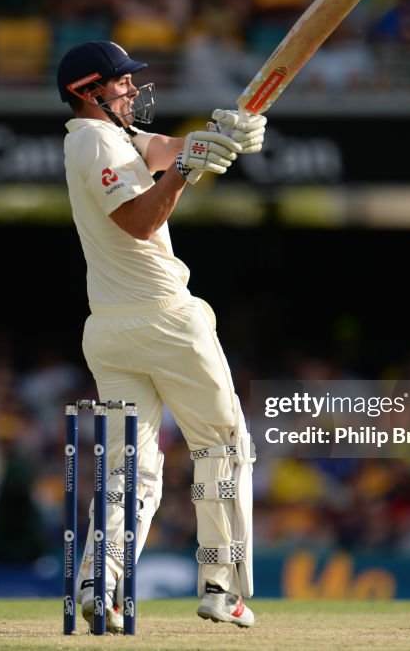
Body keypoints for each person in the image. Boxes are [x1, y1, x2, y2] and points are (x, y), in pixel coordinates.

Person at [56, 40, 266, 632]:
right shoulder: (95, 140)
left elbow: (169, 151)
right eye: (121, 84)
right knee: (222, 446)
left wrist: (220, 137)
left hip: (109, 329)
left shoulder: (109, 140)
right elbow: (141, 220)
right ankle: (221, 586)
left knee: (134, 468)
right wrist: (182, 168)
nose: (132, 91)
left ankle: (102, 583)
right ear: (89, 91)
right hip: (166, 319)